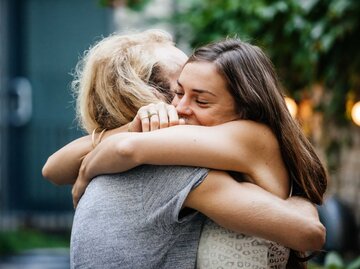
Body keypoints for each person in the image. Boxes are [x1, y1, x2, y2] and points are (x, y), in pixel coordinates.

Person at [43, 30, 326, 268]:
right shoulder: (176, 163)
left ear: (245, 106)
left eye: (200, 99)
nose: (180, 107)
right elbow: (54, 168)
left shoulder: (237, 140)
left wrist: (87, 169)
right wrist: (133, 127)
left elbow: (124, 149)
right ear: (147, 96)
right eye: (178, 91)